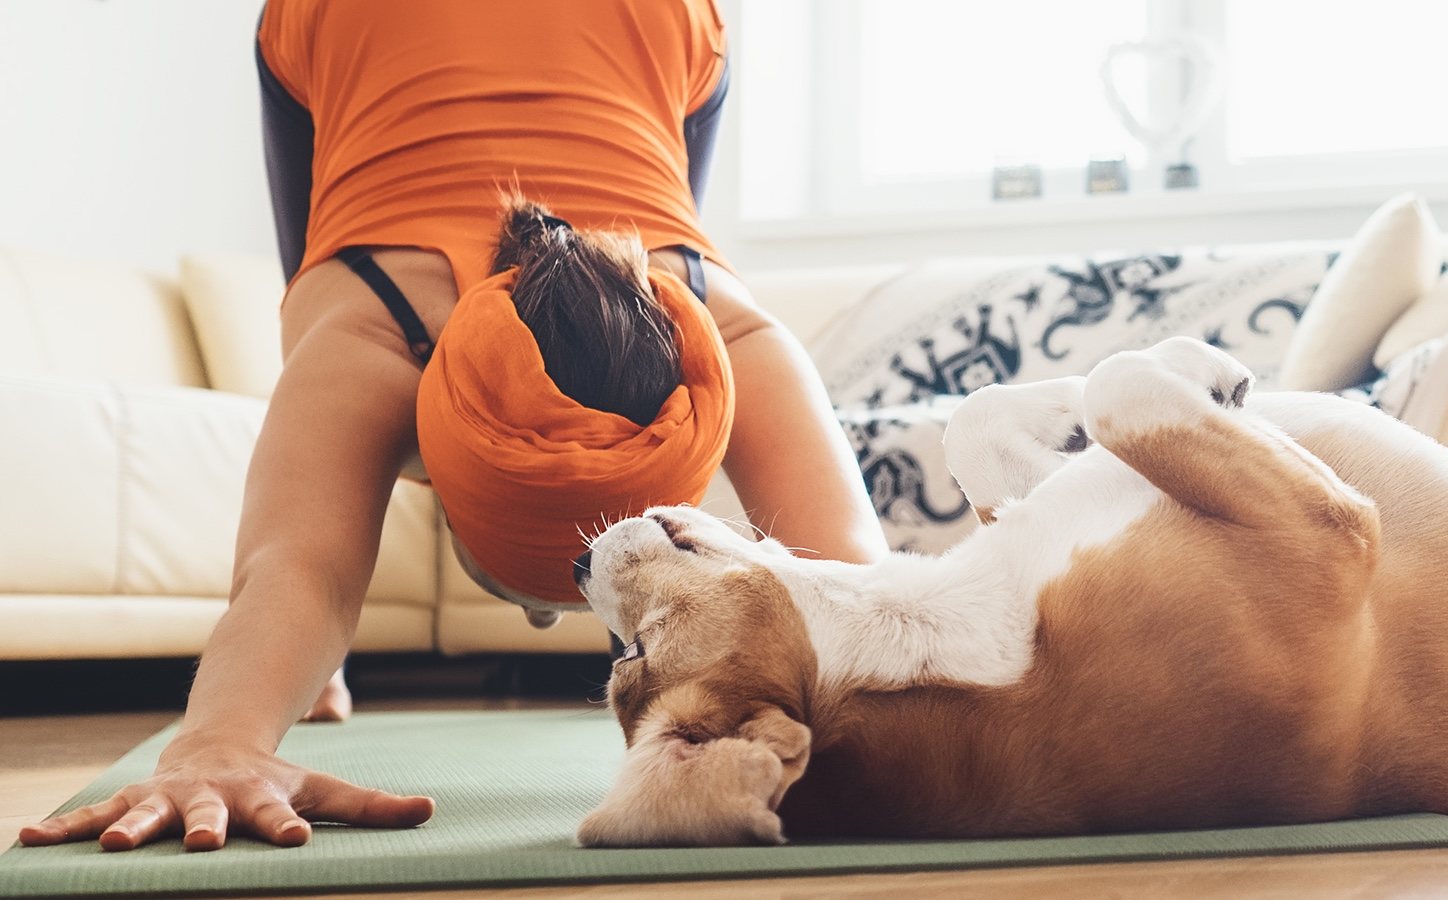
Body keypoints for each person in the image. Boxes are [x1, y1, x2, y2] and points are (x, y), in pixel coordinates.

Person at [18, 0, 884, 853]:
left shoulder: (710, 331)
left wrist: (229, 733)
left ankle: (308, 662)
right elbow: (865, 594)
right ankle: (306, 661)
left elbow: (307, 567)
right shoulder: (370, 334)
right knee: (321, 318)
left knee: (322, 330)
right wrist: (216, 740)